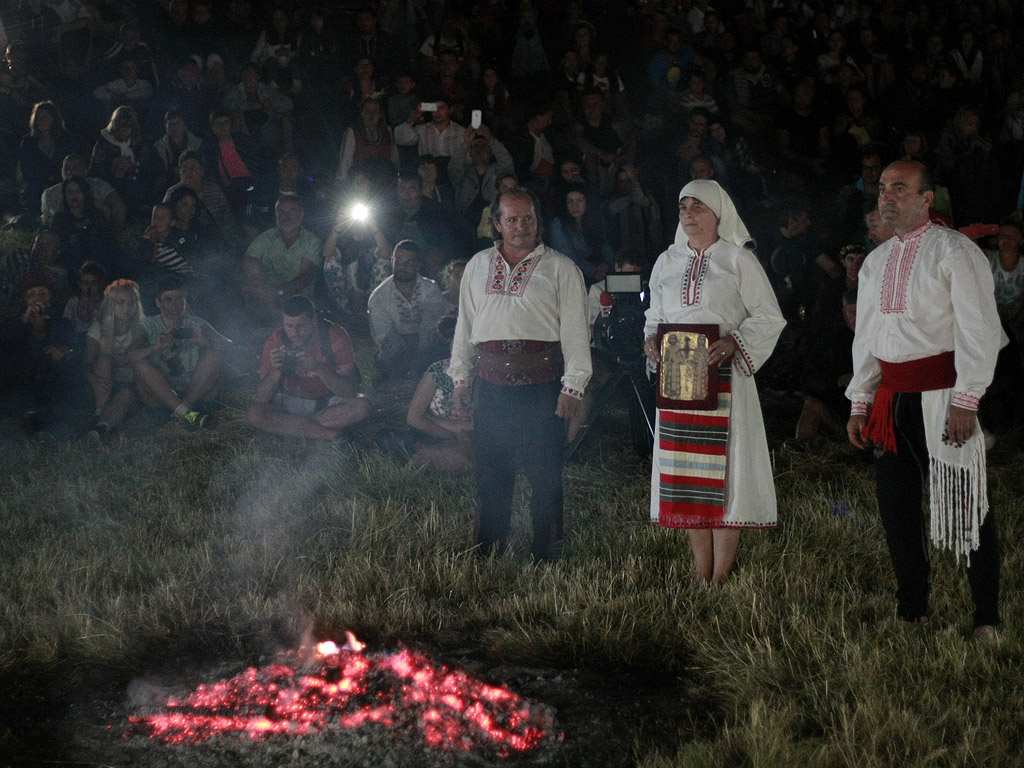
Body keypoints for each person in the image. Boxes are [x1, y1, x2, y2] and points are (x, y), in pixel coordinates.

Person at [845, 160, 1002, 645]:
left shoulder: (956, 252)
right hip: (891, 402)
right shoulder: (875, 262)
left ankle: (986, 618)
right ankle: (913, 610)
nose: (886, 197)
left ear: (926, 198)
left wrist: (967, 399)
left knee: (966, 501)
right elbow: (869, 338)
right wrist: (860, 399)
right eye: (881, 190)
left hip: (942, 397)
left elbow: (979, 331)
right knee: (896, 506)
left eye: (899, 188)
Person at [643, 179, 785, 585]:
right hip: (678, 377)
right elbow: (655, 312)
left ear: (718, 213)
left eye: (698, 207)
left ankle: (720, 575)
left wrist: (734, 342)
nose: (688, 214)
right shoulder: (667, 261)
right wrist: (650, 339)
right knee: (687, 471)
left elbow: (769, 316)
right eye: (683, 206)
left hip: (724, 376)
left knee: (725, 473)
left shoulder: (738, 260)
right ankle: (700, 571)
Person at [449, 186, 591, 562]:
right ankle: (489, 549)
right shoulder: (478, 266)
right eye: (511, 219)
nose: (521, 226)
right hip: (491, 387)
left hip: (542, 387)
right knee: (492, 472)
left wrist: (573, 386)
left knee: (544, 474)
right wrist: (461, 379)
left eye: (528, 218)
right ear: (496, 223)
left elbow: (577, 332)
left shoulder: (561, 268)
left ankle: (545, 552)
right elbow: (465, 326)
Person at [248, 295, 371, 441]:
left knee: (363, 407)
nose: (295, 333)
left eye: (300, 326)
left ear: (313, 321)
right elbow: (261, 398)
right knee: (255, 414)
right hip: (290, 401)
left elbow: (349, 391)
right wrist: (276, 370)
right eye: (289, 326)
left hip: (327, 403)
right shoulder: (276, 340)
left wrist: (318, 368)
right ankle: (331, 434)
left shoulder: (333, 335)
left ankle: (296, 427)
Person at [129, 275, 230, 428]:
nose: (175, 305)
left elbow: (229, 346)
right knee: (139, 364)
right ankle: (186, 414)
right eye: (169, 299)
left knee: (215, 353)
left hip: (197, 395)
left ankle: (183, 411)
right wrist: (154, 348)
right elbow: (126, 356)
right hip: (161, 399)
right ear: (158, 302)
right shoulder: (148, 326)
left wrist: (204, 341)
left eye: (179, 299)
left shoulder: (196, 323)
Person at [367, 240, 449, 378]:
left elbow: (432, 326)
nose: (402, 267)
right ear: (391, 261)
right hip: (396, 355)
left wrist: (420, 350)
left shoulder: (430, 289)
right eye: (398, 261)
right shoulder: (379, 297)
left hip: (428, 351)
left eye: (409, 262)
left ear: (418, 265)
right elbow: (384, 336)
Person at [84, 278, 145, 439]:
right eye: (121, 302)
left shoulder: (141, 328)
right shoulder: (99, 329)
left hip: (132, 386)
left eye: (131, 303)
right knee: (104, 359)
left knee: (125, 395)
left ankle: (101, 428)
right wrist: (94, 380)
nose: (126, 308)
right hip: (103, 387)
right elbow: (87, 363)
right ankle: (100, 416)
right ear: (111, 304)